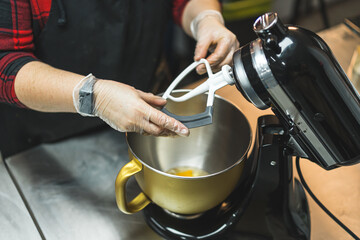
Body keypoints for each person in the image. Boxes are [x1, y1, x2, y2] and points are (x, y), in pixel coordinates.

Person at [0, 0, 239, 142]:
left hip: (143, 114)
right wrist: (96, 97)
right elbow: (6, 61)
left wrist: (206, 18)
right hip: (45, 140)